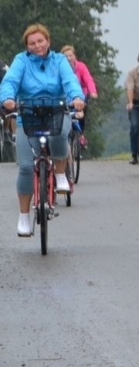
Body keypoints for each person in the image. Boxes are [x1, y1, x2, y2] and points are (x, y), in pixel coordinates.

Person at [0, 25, 86, 236]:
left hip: (56, 111)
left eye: (40, 41)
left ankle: (60, 175)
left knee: (59, 136)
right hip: (27, 114)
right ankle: (24, 217)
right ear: (27, 46)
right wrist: (8, 99)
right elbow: (9, 82)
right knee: (26, 167)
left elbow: (70, 81)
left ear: (48, 41)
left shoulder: (59, 61)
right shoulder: (21, 61)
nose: (37, 46)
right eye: (32, 43)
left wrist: (76, 98)